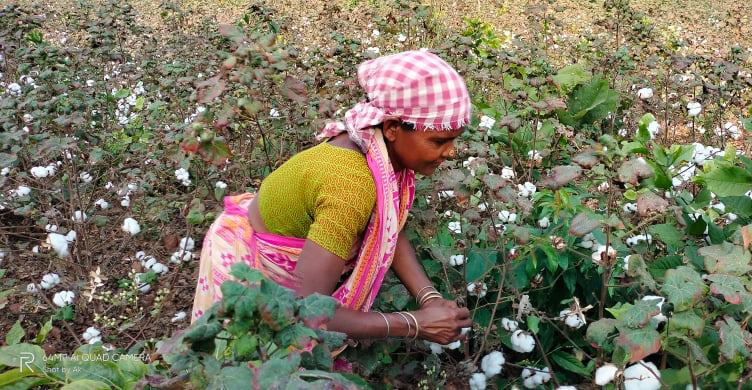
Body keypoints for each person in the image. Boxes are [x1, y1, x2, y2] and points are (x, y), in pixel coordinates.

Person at [192, 50, 472, 345]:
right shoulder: (350, 185)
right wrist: (414, 324)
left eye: (455, 139)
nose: (451, 152)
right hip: (248, 268)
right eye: (439, 141)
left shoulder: (377, 154)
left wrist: (430, 298)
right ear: (392, 128)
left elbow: (387, 227)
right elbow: (305, 309)